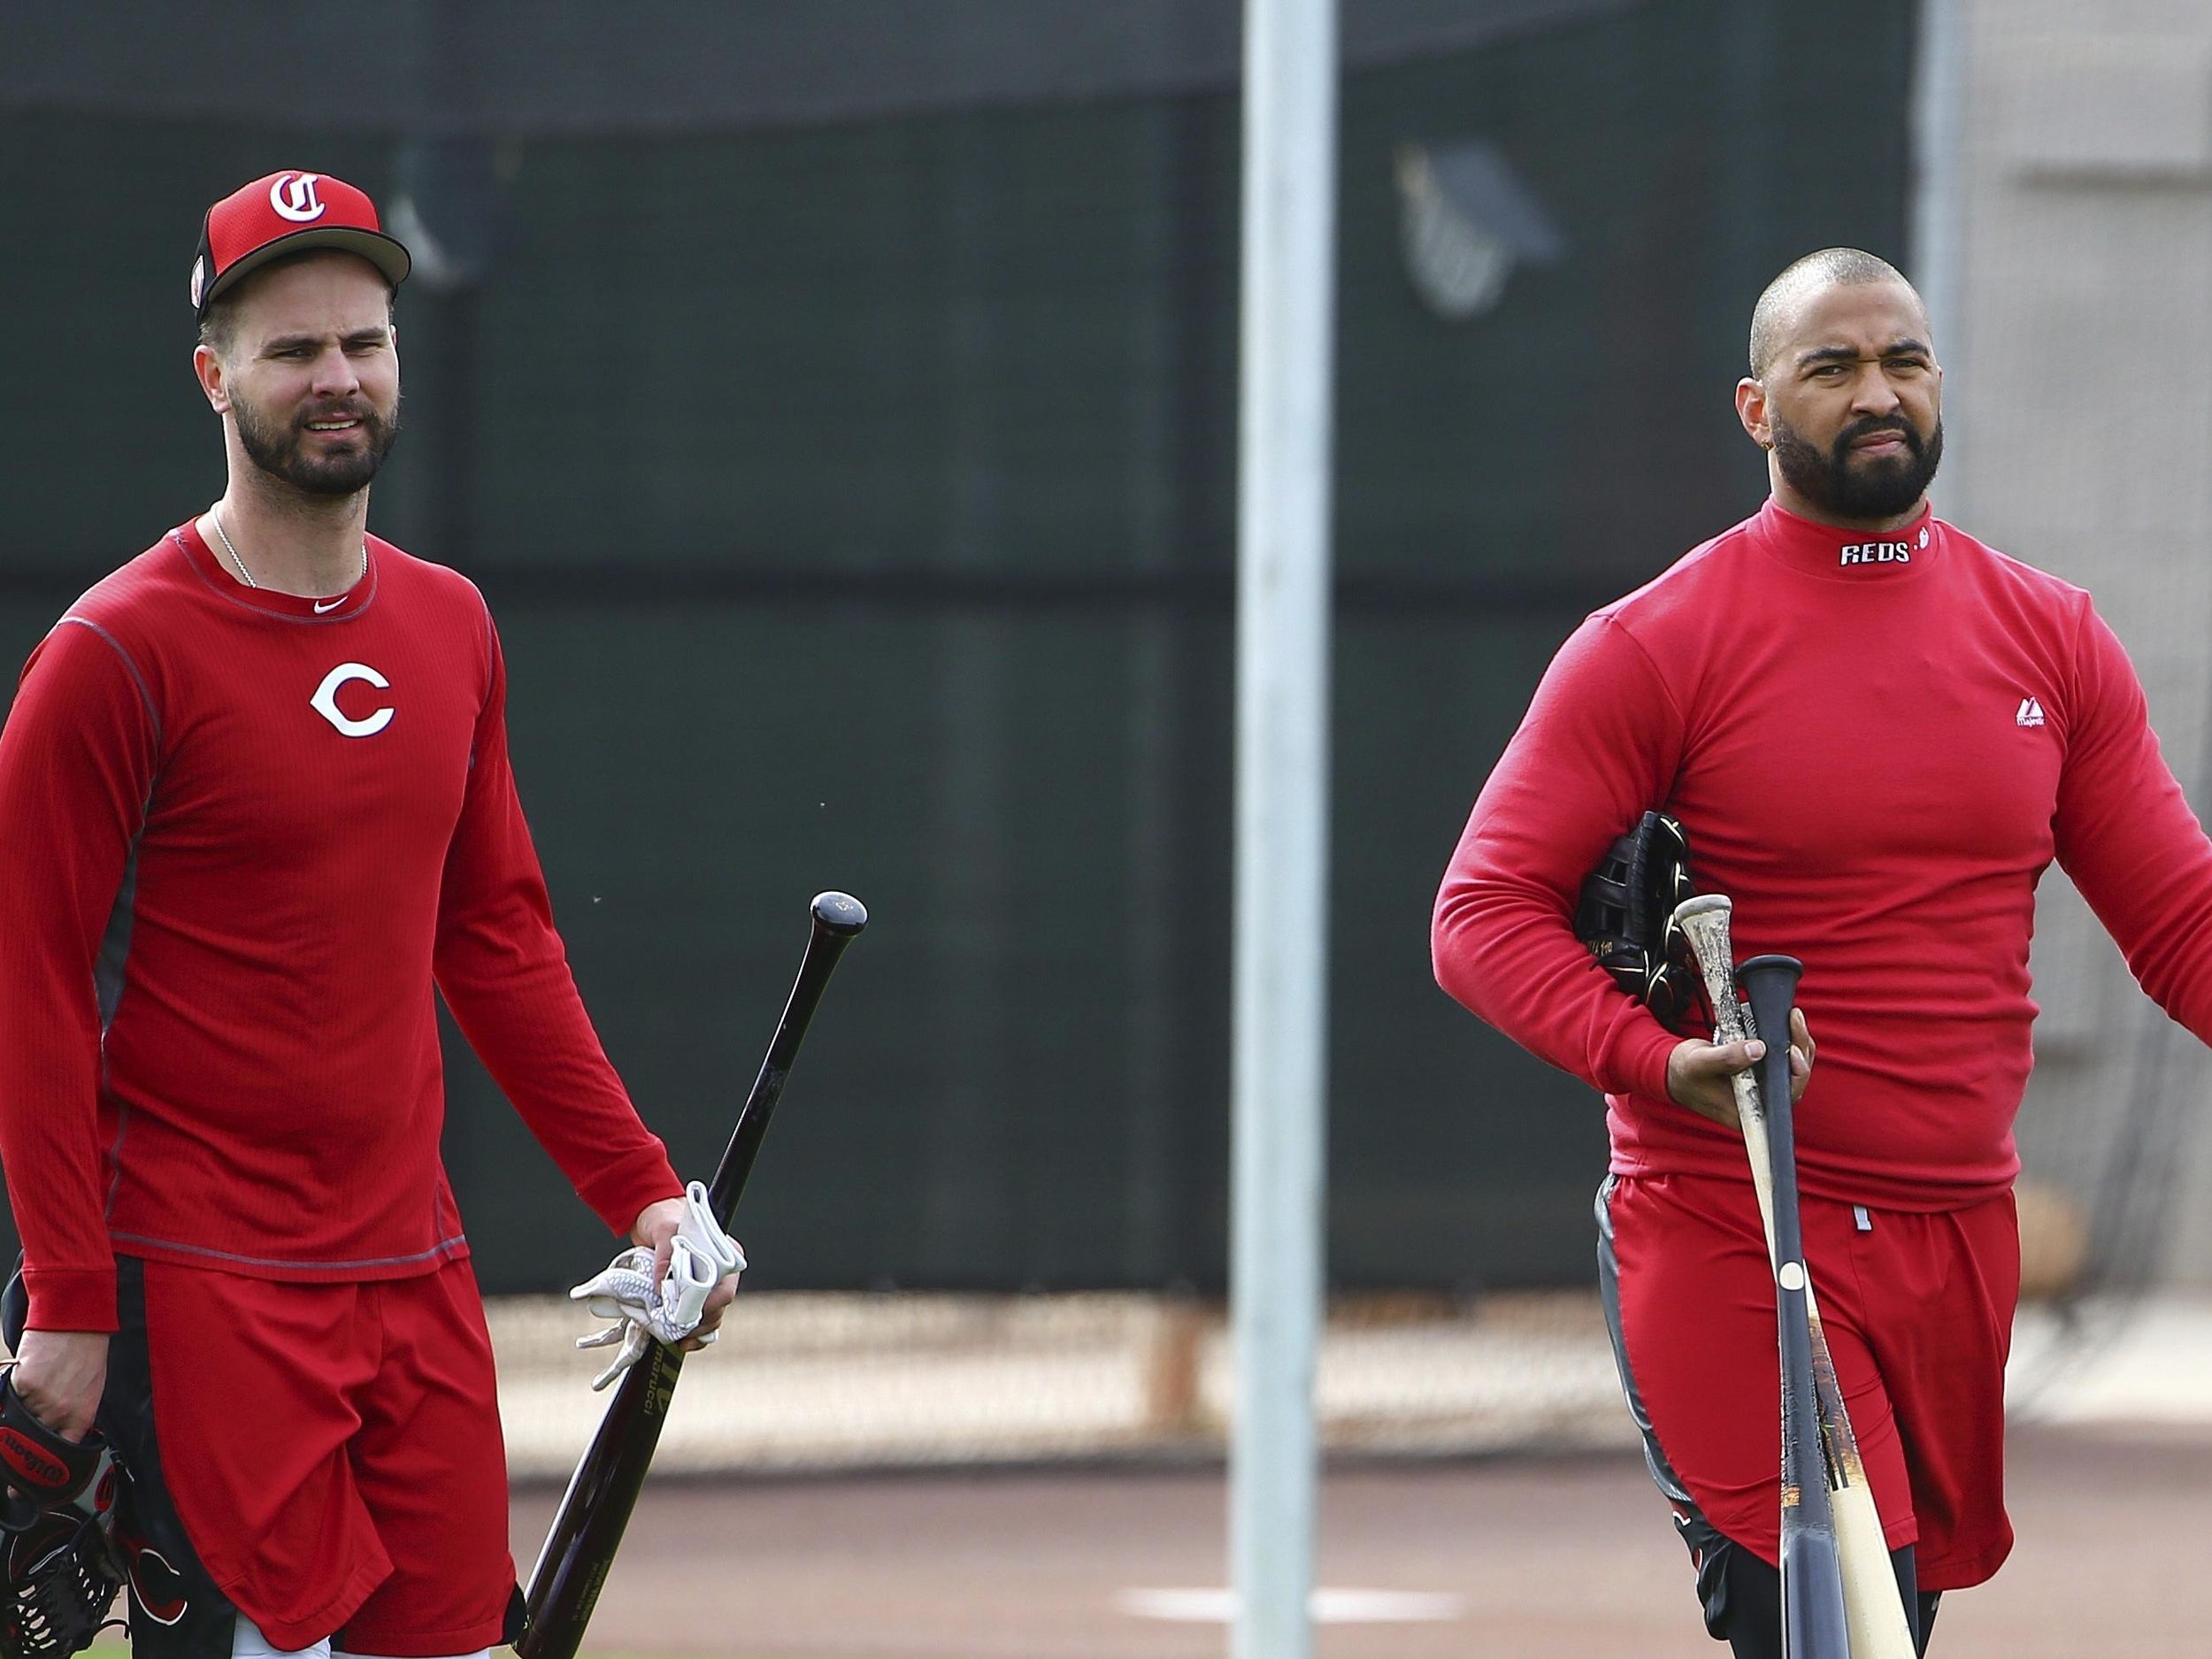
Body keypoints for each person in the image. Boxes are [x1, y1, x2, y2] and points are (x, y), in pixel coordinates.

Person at [0, 170, 740, 1659]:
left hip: (416, 1272)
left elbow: (500, 938)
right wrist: (71, 1299)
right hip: (204, 1285)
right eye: (291, 350)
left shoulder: (450, 624)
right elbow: (27, 985)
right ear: (214, 376)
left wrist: (647, 1195)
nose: (337, 378)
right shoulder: (111, 656)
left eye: (365, 342)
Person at [1432, 247, 2212, 1657]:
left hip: (1960, 1235)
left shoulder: (2053, 640)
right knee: (1833, 1631)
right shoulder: (1655, 646)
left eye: (1903, 361)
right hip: (1740, 1226)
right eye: (1832, 366)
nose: (1877, 394)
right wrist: (1657, 1061)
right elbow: (1479, 917)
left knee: (1891, 1621)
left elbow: (2184, 927)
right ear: (1755, 408)